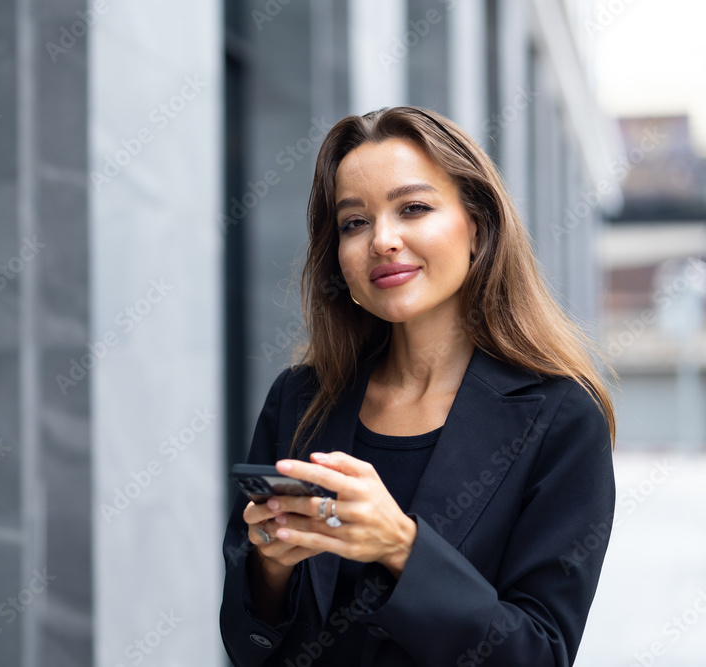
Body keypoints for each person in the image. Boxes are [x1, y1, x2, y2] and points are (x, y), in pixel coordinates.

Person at [219, 106, 616, 666]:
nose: (383, 240)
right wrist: (270, 566)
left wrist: (400, 547)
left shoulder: (561, 418)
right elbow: (245, 643)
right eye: (354, 222)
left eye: (413, 208)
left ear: (476, 226)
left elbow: (539, 654)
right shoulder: (300, 399)